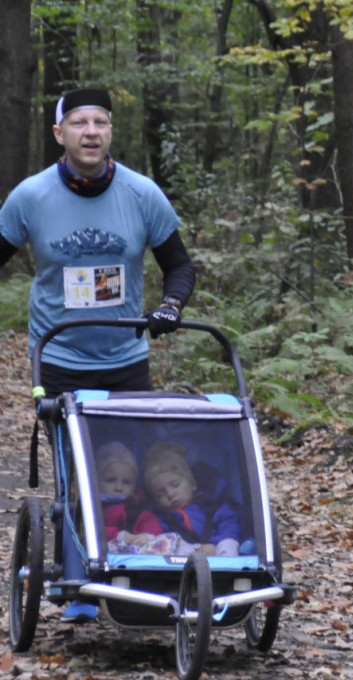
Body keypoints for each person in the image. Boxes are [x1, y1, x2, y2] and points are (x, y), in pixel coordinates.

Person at [0, 87, 197, 622]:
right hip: (60, 357)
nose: (92, 132)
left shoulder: (141, 193)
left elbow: (179, 266)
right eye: (80, 123)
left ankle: (143, 578)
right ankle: (79, 583)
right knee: (77, 476)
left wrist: (171, 306)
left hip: (126, 360)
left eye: (101, 123)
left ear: (111, 132)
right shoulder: (30, 196)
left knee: (131, 475)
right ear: (59, 133)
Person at [132, 441, 242, 557]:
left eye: (175, 485)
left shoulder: (213, 506)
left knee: (228, 543)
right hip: (180, 561)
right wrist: (146, 537)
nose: (170, 494)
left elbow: (229, 526)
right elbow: (154, 533)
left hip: (217, 553)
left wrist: (214, 545)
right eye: (160, 494)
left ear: (192, 484)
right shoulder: (160, 518)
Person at [94, 440, 146, 545]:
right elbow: (93, 530)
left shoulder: (140, 505)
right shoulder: (93, 506)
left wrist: (147, 536)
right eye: (111, 480)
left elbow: (150, 522)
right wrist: (119, 536)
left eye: (126, 482)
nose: (119, 487)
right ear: (97, 481)